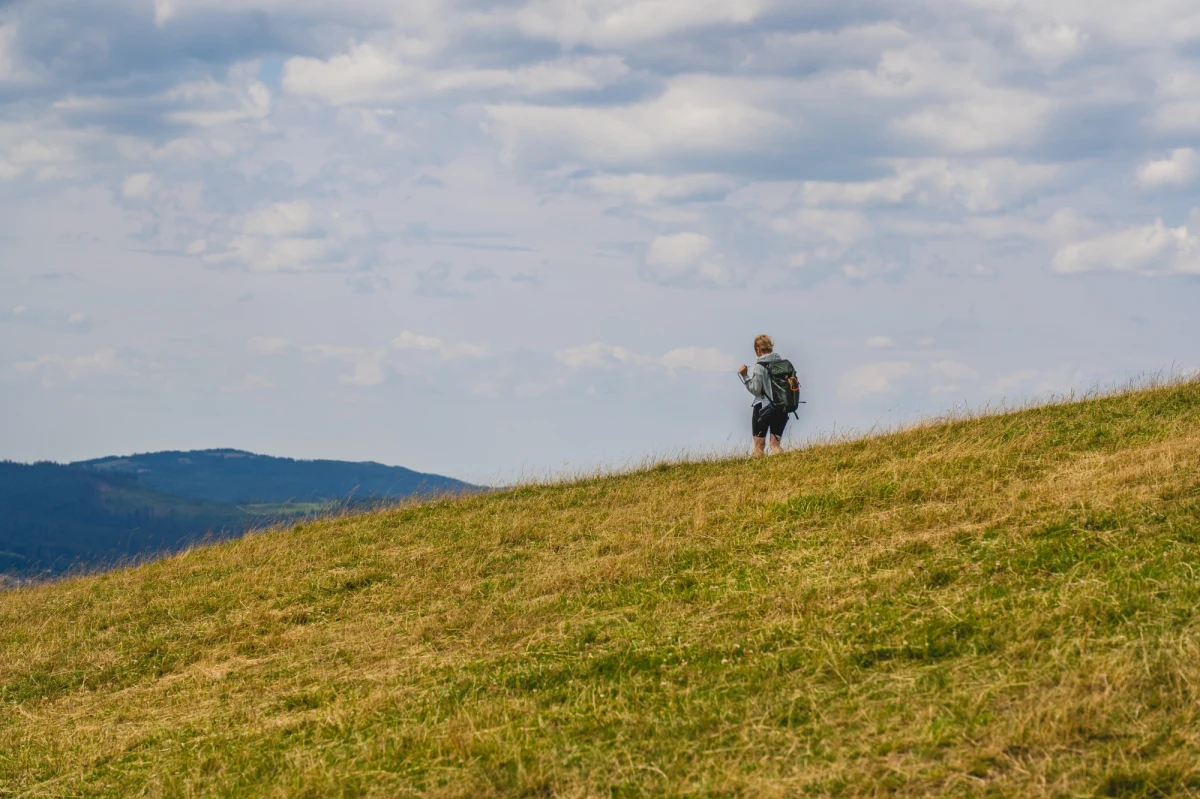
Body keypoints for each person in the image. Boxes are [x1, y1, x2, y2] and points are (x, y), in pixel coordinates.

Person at [738, 334, 789, 457]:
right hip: (781, 407)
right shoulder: (783, 363)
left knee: (759, 446)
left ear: (758, 349)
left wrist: (745, 376)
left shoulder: (759, 366)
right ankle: (784, 468)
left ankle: (757, 474)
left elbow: (755, 390)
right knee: (775, 445)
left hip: (763, 408)